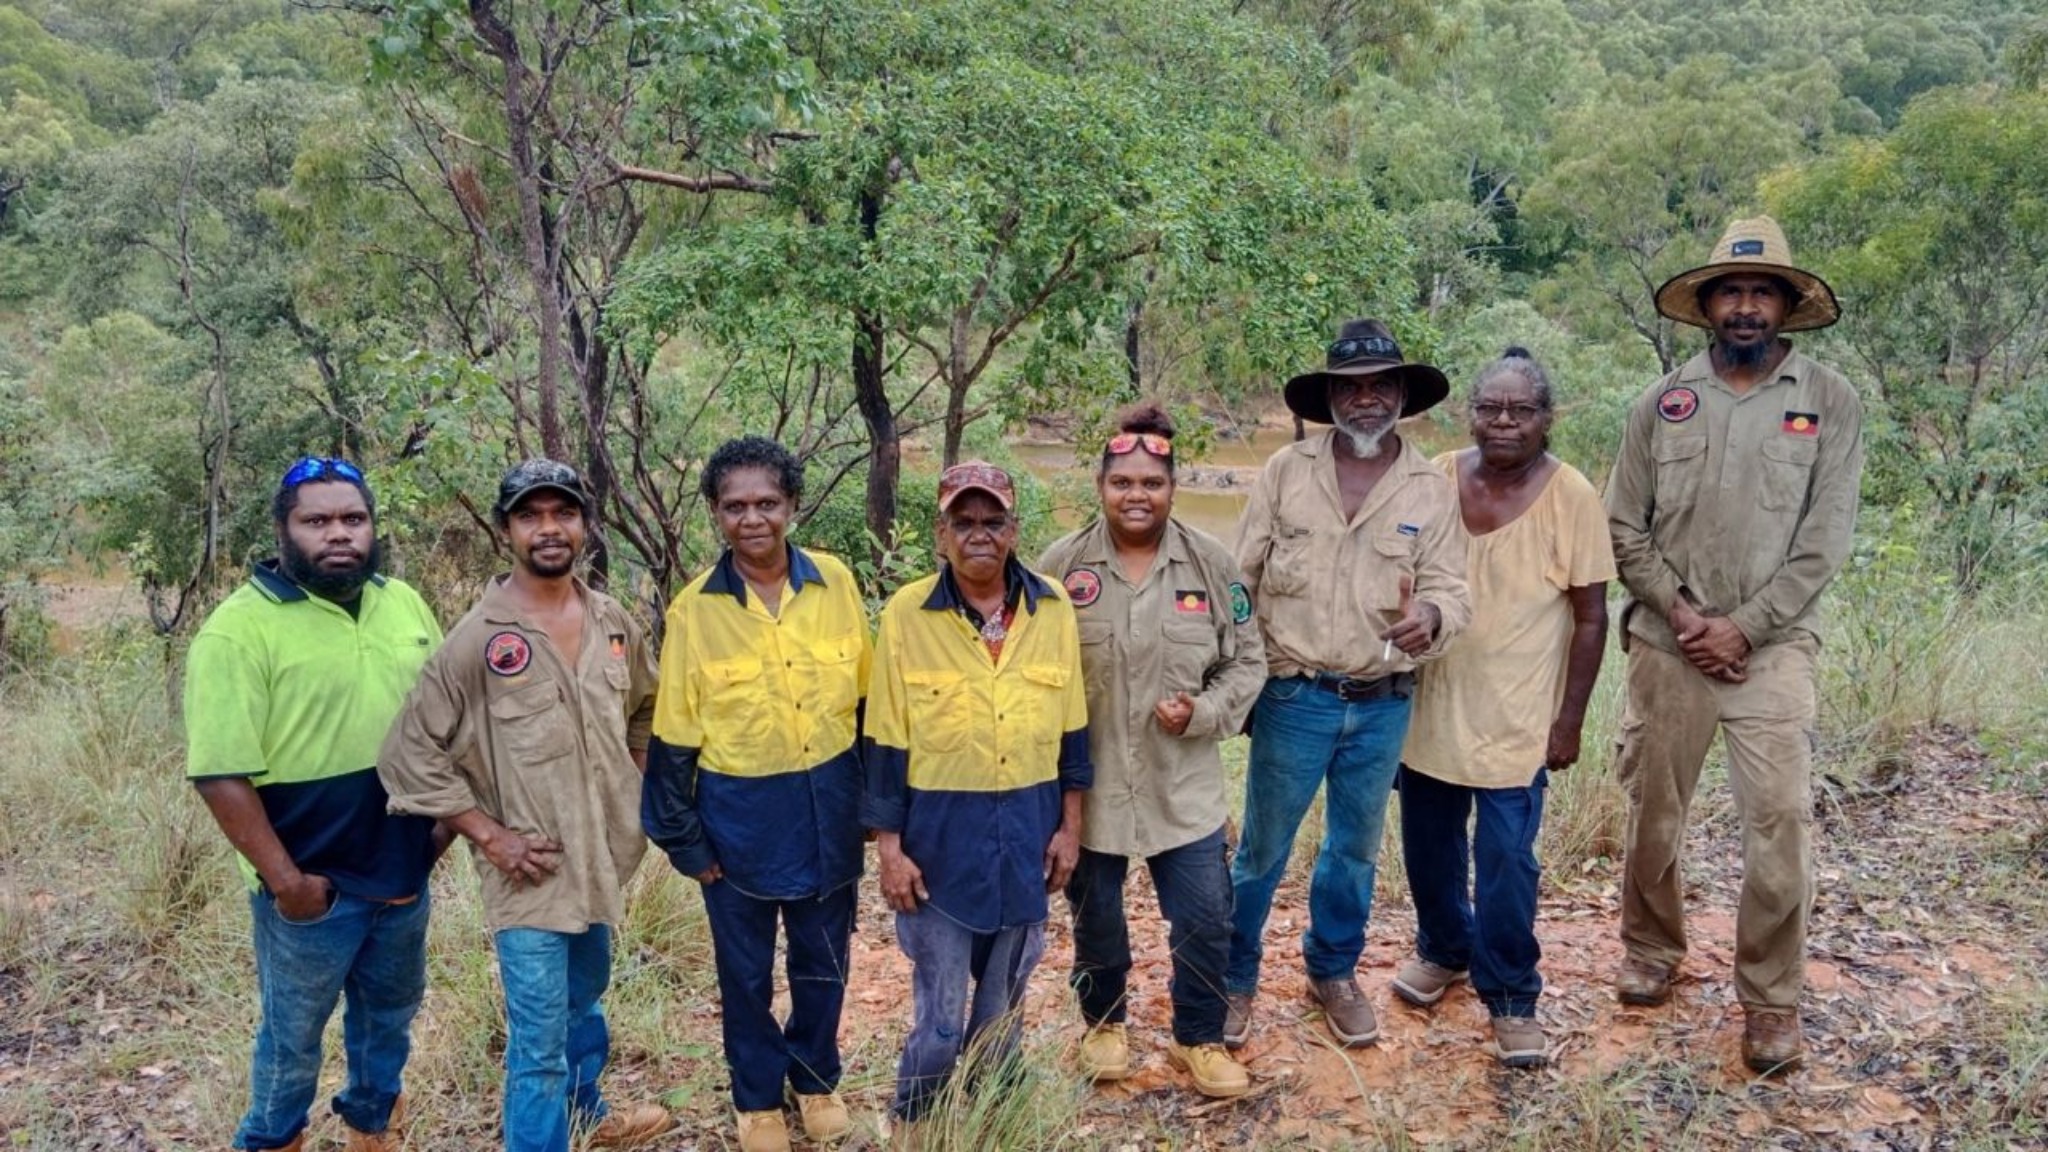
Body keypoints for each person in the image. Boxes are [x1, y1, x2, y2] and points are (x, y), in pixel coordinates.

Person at [1606, 216, 1863, 1074]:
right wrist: (1684, 616)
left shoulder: (1829, 401)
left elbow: (1825, 540)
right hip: (1667, 643)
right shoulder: (1661, 403)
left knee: (1782, 822)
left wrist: (1742, 627)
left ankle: (1771, 999)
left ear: (1785, 306)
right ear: (1707, 305)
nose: (1746, 306)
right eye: (1731, 292)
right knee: (1653, 810)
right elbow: (1624, 528)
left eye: (1762, 292)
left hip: (1776, 649)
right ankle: (1651, 949)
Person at [378, 459, 672, 1149]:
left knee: (583, 1000)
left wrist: (632, 784)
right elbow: (409, 753)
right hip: (529, 875)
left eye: (563, 513)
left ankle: (587, 1116)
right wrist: (489, 835)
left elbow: (646, 707)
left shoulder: (612, 621)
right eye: (530, 516)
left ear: (585, 525)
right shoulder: (478, 638)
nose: (549, 529)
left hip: (600, 864)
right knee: (538, 1043)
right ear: (506, 529)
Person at [1224, 317, 1471, 1050]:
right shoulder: (1284, 472)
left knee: (1354, 851)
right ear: (1330, 396)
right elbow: (1239, 582)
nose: (1366, 401)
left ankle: (1332, 970)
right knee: (1262, 852)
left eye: (1380, 386)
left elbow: (1453, 591)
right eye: (1350, 388)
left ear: (1402, 394)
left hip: (1381, 704)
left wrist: (1431, 615)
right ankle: (1233, 978)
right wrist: (1241, 681)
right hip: (1292, 696)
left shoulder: (1431, 487)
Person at [185, 456, 443, 1152]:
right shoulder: (238, 631)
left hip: (401, 871)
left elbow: (448, 723)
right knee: (294, 1031)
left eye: (353, 519)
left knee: (388, 1015)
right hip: (310, 889)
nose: (339, 534)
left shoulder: (404, 604)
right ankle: (271, 1138)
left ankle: (372, 1123)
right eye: (318, 520)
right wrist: (288, 884)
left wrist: (439, 834)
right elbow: (220, 775)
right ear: (283, 530)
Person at [642, 437, 871, 1152]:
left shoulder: (834, 583)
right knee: (744, 972)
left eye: (767, 503)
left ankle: (815, 1079)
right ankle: (756, 1098)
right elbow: (673, 733)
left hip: (827, 806)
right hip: (738, 818)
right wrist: (687, 841)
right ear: (714, 513)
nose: (752, 519)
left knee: (822, 960)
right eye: (735, 506)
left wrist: (872, 807)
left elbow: (869, 707)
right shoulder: (693, 611)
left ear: (792, 506)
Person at [1390, 349, 1614, 1069]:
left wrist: (1569, 719)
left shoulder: (1570, 495)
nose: (1505, 422)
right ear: (1471, 414)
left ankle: (1513, 994)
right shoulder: (1435, 477)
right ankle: (1444, 950)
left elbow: (1590, 615)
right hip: (1430, 708)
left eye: (1522, 410)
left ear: (1548, 418)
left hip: (1517, 720)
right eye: (1491, 407)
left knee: (1507, 863)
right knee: (1429, 850)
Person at [1036, 405, 1265, 1099]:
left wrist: (1203, 711)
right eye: (1122, 483)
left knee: (1203, 916)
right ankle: (1103, 1023)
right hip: (1090, 789)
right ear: (1100, 487)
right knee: (1095, 916)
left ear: (1172, 487)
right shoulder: (1059, 570)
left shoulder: (1213, 566)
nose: (1137, 495)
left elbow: (1248, 662)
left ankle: (1197, 1036)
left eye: (1152, 483)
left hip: (1181, 785)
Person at [862, 461, 1092, 1134]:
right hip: (938, 853)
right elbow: (885, 738)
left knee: (1001, 1016)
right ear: (941, 534)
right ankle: (916, 1123)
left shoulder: (1051, 606)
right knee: (939, 1022)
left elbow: (1073, 727)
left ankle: (994, 1122)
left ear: (1015, 531)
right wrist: (889, 850)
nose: (979, 535)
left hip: (1025, 840)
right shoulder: (907, 613)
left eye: (994, 522)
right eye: (963, 523)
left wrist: (1069, 827)